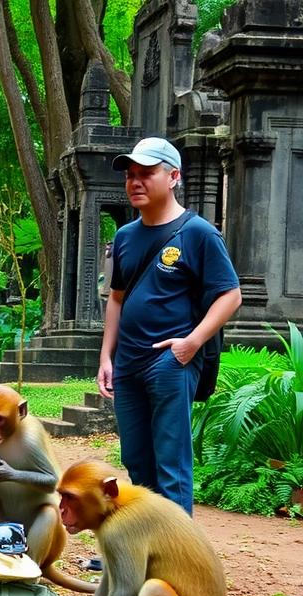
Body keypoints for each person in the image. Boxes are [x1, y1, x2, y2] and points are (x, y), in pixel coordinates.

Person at [97, 137, 241, 514]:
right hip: (128, 364)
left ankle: (178, 558)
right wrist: (105, 357)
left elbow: (230, 296)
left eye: (146, 173)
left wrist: (190, 344)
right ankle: (145, 547)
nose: (135, 182)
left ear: (173, 176)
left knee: (171, 465)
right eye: (130, 175)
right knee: (137, 461)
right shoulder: (125, 237)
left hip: (170, 362)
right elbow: (116, 298)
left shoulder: (199, 233)